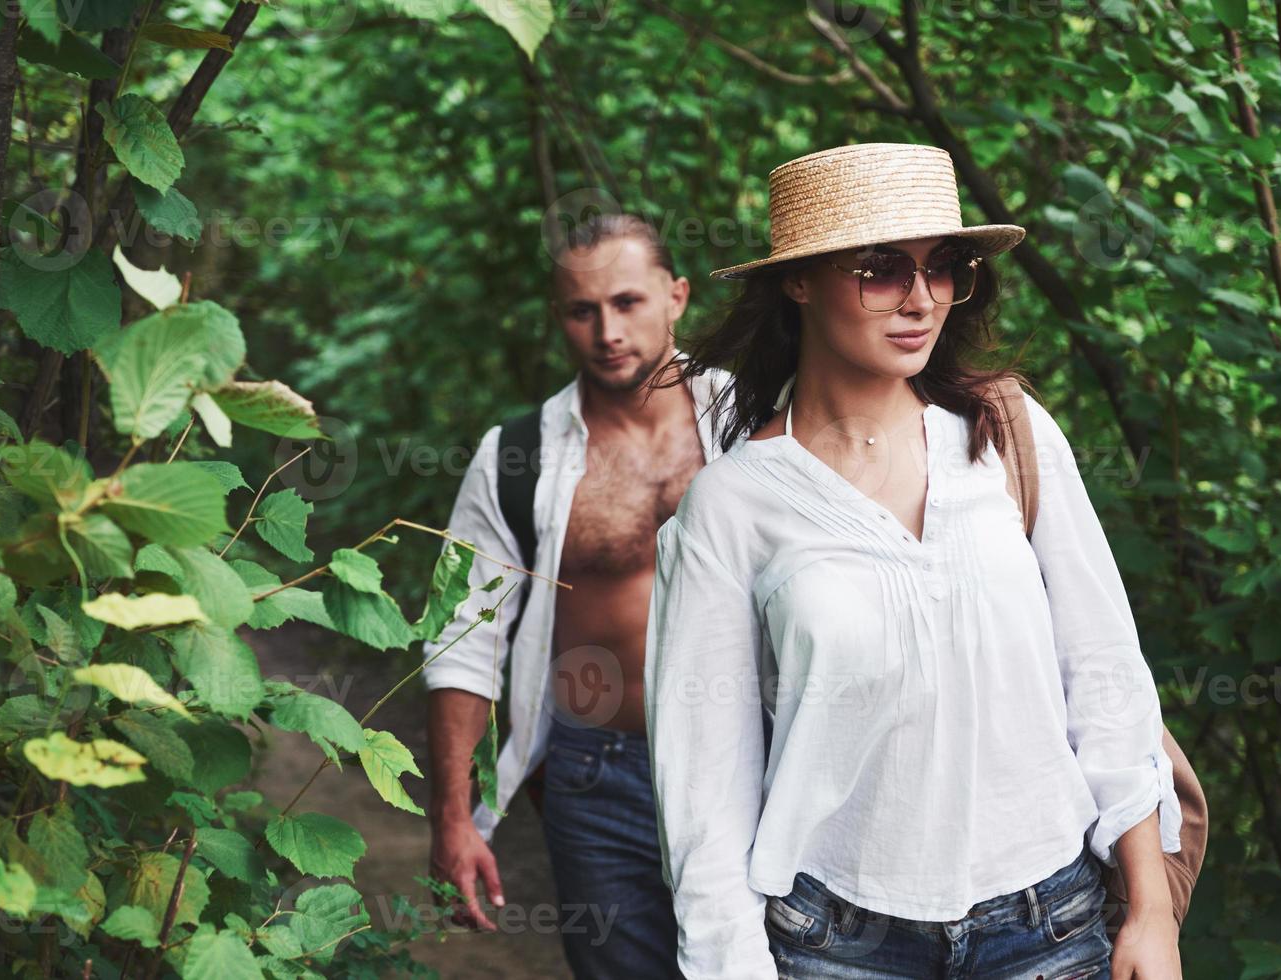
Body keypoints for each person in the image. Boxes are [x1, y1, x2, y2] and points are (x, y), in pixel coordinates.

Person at [642, 143, 1185, 979]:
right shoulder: (732, 506)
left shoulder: (1006, 435)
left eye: (943, 269)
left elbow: (1104, 673)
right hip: (837, 943)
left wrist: (1150, 913)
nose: (921, 299)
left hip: (1050, 924)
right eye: (881, 270)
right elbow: (703, 792)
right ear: (799, 280)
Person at [422, 211, 730, 978]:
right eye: (581, 310)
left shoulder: (758, 422)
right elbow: (463, 641)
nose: (607, 331)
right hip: (597, 773)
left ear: (676, 296)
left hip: (747, 758)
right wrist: (453, 821)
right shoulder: (514, 456)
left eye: (627, 303)